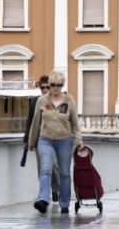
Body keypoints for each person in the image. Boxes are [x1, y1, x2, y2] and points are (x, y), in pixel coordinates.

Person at [28, 70, 83, 214]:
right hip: (45, 139)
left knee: (64, 173)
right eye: (52, 84)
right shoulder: (42, 101)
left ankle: (64, 203)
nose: (55, 87)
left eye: (58, 85)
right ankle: (43, 200)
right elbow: (35, 122)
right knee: (45, 168)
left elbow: (75, 124)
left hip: (65, 140)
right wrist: (31, 141)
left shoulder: (69, 101)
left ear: (62, 85)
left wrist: (79, 142)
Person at [23, 75, 58, 203]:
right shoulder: (35, 102)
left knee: (54, 165)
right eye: (42, 88)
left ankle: (55, 189)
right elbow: (30, 121)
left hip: (55, 139)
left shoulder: (58, 101)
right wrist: (27, 140)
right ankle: (44, 194)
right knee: (42, 167)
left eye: (47, 87)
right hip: (40, 140)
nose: (45, 90)